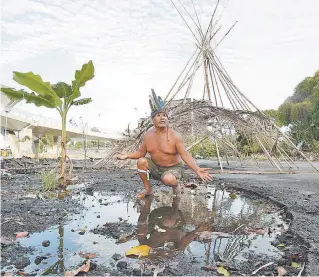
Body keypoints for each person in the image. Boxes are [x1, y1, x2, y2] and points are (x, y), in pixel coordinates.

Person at [117, 90, 212, 198]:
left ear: (167, 119)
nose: (162, 118)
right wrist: (127, 155)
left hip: (173, 169)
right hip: (156, 168)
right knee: (141, 161)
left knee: (168, 179)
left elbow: (185, 154)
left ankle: (176, 185)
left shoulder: (175, 136)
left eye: (164, 115)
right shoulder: (148, 136)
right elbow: (140, 153)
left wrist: (197, 169)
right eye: (158, 115)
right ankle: (148, 190)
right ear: (153, 119)